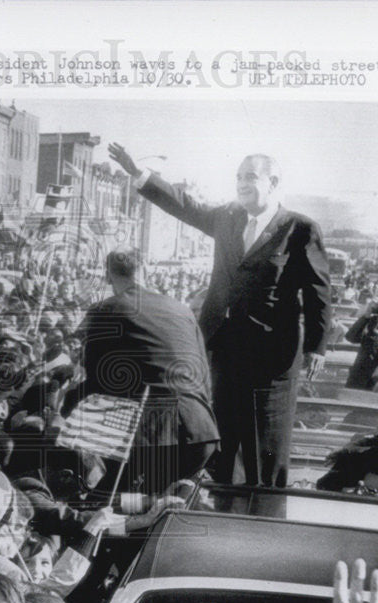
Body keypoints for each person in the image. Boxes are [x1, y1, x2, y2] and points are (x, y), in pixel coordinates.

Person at [109, 145, 331, 487]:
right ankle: (221, 516)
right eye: (238, 177)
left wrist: (317, 347)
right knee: (221, 446)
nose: (241, 183)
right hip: (224, 350)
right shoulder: (227, 218)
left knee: (264, 456)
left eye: (250, 177)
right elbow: (185, 206)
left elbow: (318, 292)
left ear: (272, 182)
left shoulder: (299, 228)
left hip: (271, 359)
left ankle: (264, 524)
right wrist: (140, 174)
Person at [66, 248, 219, 495]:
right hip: (200, 429)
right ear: (144, 270)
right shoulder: (182, 309)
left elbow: (97, 382)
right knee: (167, 510)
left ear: (108, 276)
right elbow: (203, 375)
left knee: (128, 509)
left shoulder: (105, 309)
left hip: (153, 435)